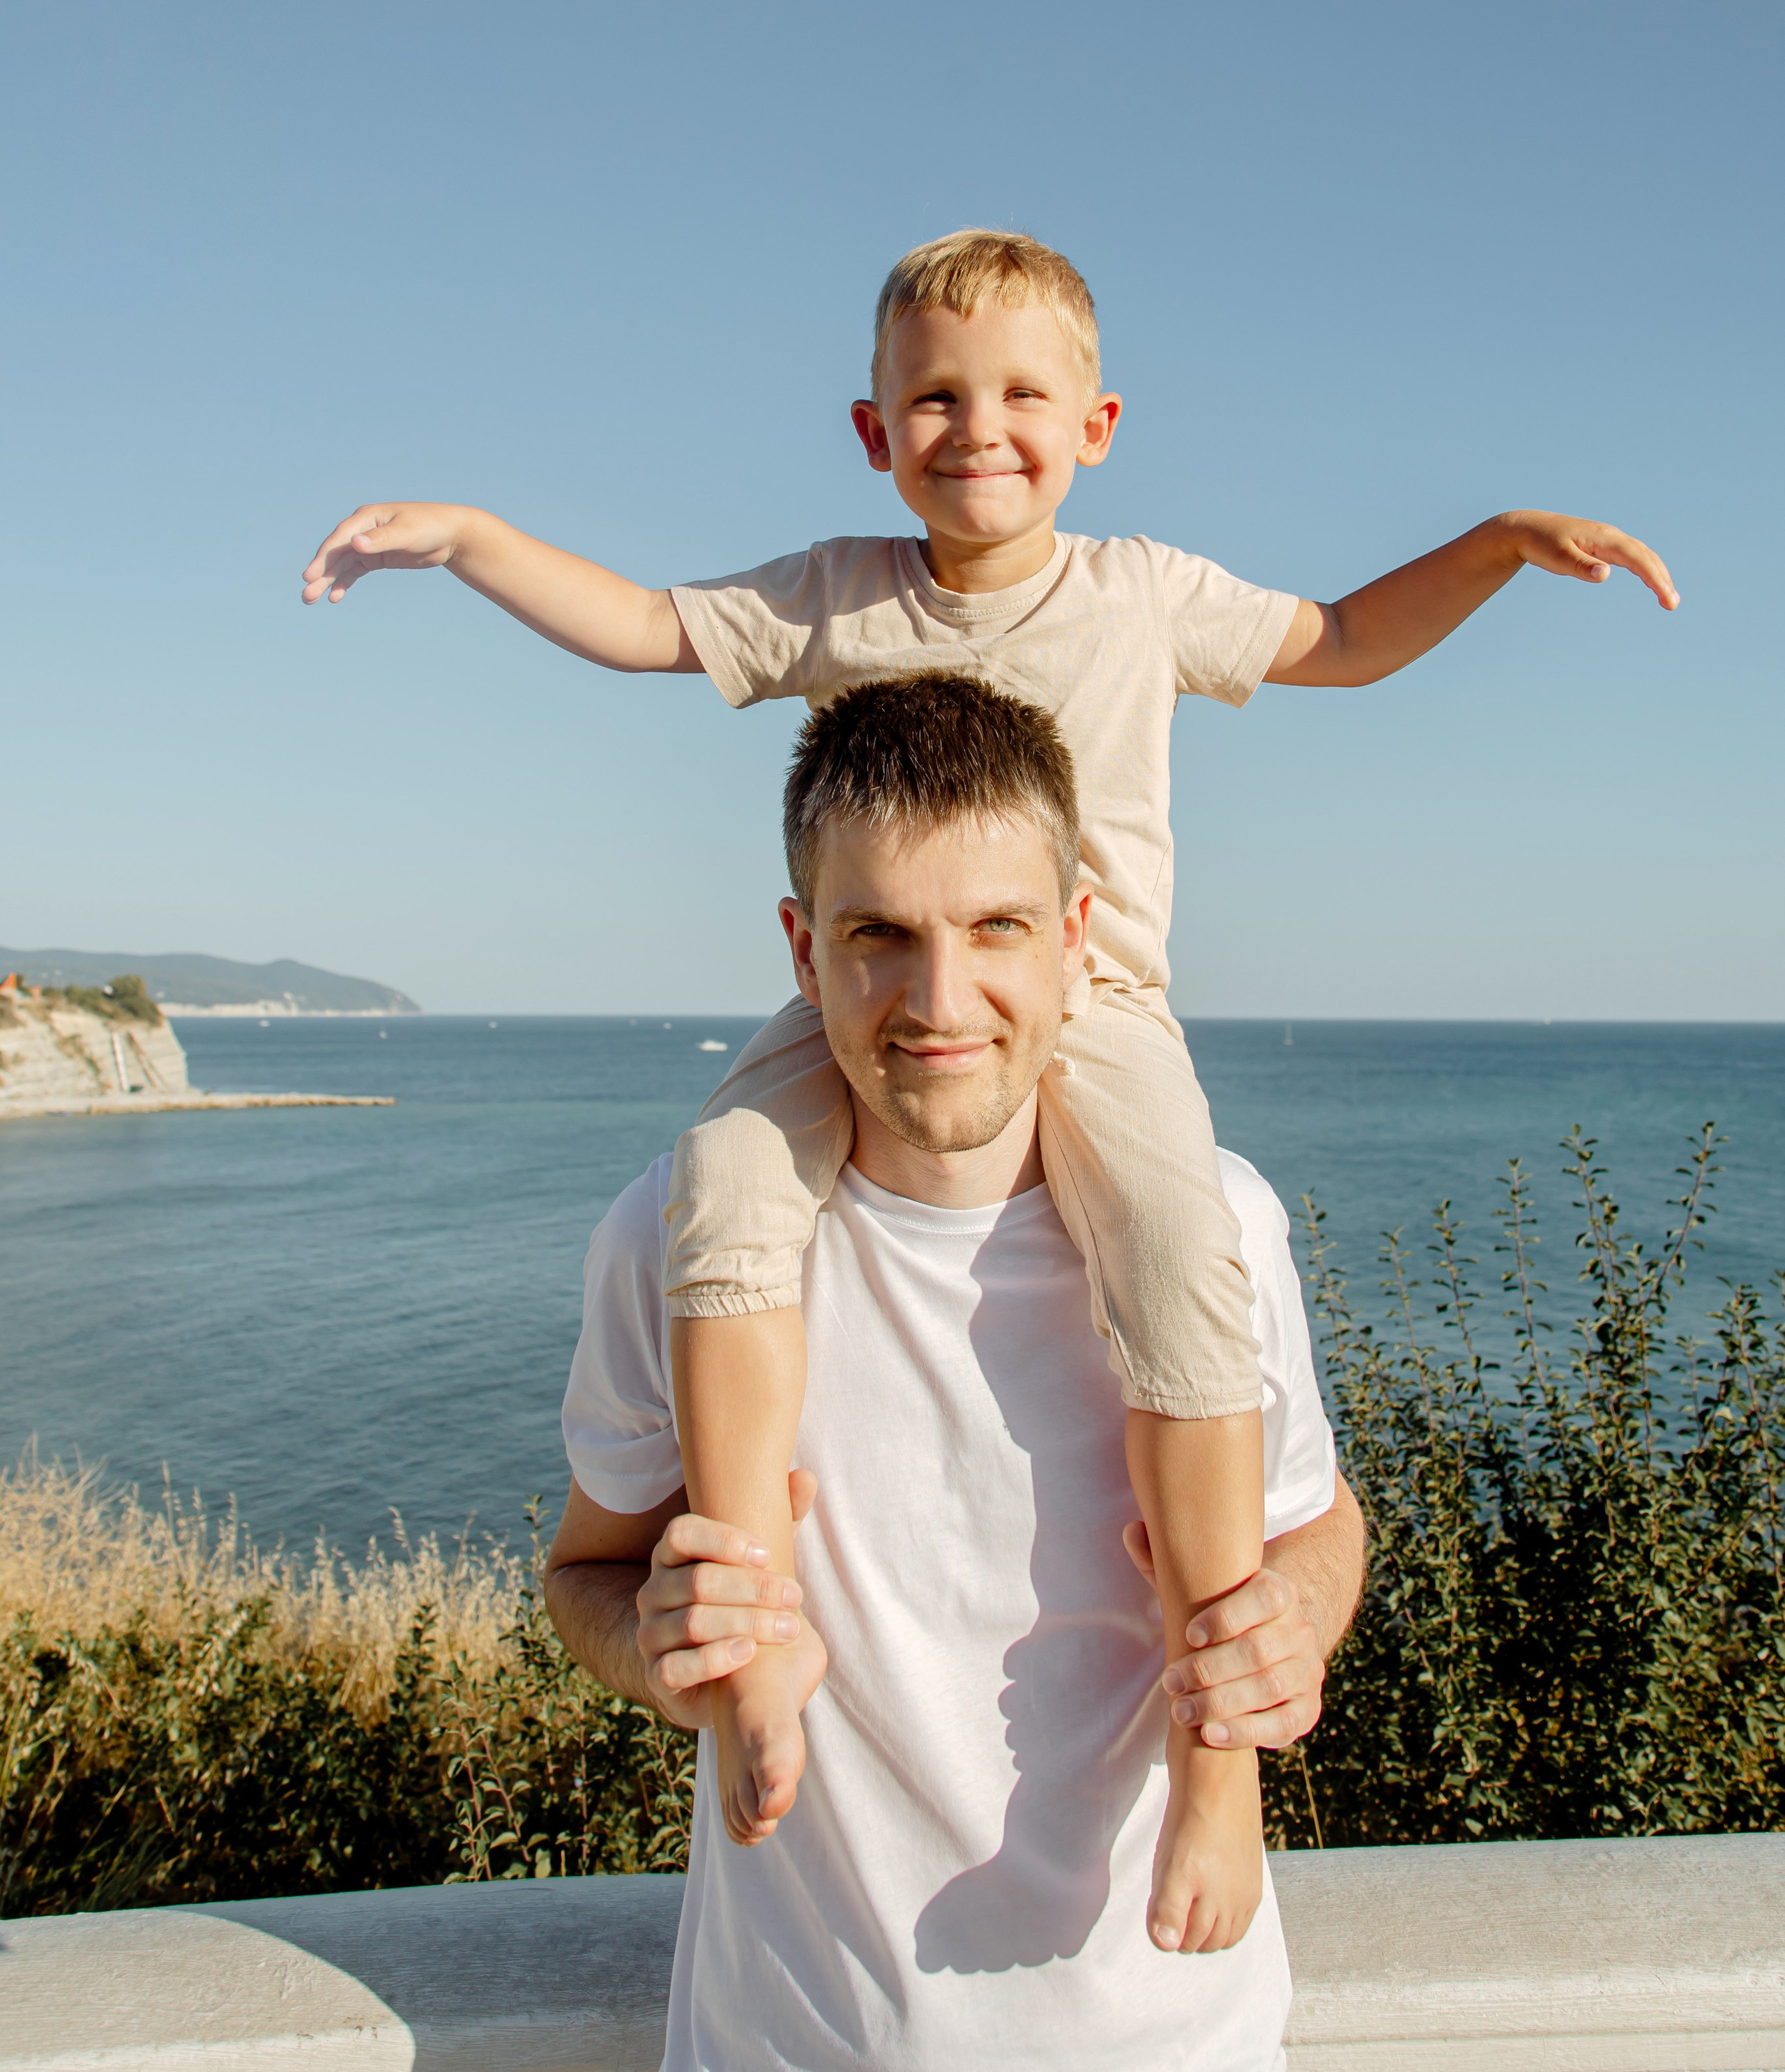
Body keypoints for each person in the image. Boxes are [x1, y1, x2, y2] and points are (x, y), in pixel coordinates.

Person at [302, 225, 1676, 1946]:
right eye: (934, 398)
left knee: (1183, 1255)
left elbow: (1336, 641)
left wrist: (1491, 546)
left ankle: (1216, 1759)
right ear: (875, 431)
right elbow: (652, 628)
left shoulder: (1141, 593)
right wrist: (476, 542)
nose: (979, 429)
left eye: (1022, 394)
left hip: (1092, 1012)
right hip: (874, 995)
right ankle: (755, 1641)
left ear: (1094, 422)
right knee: (720, 1189)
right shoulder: (835, 591)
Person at [545, 671, 1367, 2070]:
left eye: (996, 928)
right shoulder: (671, 1238)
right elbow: (585, 1576)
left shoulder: (1214, 1224)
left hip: (1175, 2038)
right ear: (803, 954)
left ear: (1073, 940)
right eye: (881, 936)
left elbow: (1315, 1526)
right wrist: (666, 1647)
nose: (940, 1000)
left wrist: (1288, 1621)